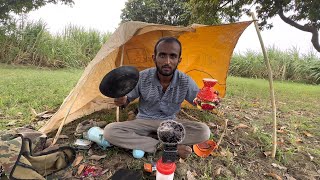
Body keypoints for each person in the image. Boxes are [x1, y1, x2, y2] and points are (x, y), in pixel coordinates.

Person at [103, 37, 211, 159]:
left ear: (179, 60)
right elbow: (126, 100)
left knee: (204, 131)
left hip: (170, 125)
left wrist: (209, 101)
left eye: (173, 56)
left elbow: (199, 102)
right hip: (143, 122)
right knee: (109, 131)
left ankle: (148, 141)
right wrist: (122, 101)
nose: (167, 62)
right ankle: (167, 147)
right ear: (154, 58)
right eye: (162, 56)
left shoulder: (185, 81)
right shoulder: (142, 77)